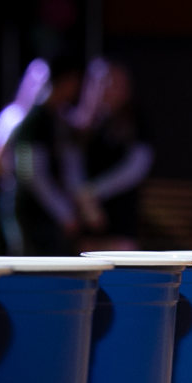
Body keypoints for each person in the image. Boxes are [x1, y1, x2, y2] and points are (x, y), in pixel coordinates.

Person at [10, 54, 91, 256]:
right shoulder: (34, 121)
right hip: (32, 214)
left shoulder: (60, 119)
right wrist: (64, 214)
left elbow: (70, 166)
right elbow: (32, 175)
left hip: (52, 218)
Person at [73, 58, 152, 251]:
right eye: (105, 83)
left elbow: (137, 167)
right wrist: (83, 198)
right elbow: (71, 163)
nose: (111, 89)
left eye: (118, 83)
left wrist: (95, 191)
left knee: (121, 260)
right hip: (85, 212)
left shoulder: (135, 120)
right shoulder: (81, 123)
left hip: (120, 210)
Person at [0, 58, 49, 255]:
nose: (39, 90)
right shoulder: (11, 117)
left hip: (41, 201)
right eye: (35, 83)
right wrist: (16, 169)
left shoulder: (47, 121)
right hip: (15, 198)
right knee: (20, 250)